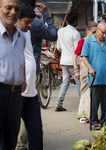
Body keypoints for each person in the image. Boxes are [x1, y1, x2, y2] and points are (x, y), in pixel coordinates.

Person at [15, 2, 43, 150]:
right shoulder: (8, 34)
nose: (30, 25)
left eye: (31, 22)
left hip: (31, 92)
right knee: (9, 132)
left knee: (36, 130)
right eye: (27, 22)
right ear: (17, 19)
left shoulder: (26, 32)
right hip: (15, 91)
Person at [0, 0, 27, 149]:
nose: (13, 12)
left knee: (11, 140)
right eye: (8, 8)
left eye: (16, 9)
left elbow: (18, 60)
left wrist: (22, 79)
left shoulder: (21, 37)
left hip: (15, 96)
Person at [20, 0, 57, 88]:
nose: (29, 25)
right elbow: (53, 35)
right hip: (29, 70)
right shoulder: (35, 23)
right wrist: (46, 14)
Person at [72, 21, 99, 122]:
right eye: (93, 32)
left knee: (95, 91)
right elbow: (74, 56)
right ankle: (84, 114)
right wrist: (76, 70)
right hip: (84, 70)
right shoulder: (83, 42)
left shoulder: (97, 41)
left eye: (97, 32)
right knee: (85, 92)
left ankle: (94, 114)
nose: (95, 34)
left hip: (95, 70)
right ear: (87, 31)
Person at [55, 12, 81, 111]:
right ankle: (83, 105)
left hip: (64, 61)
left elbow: (59, 47)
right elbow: (77, 51)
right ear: (75, 21)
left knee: (65, 83)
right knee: (79, 83)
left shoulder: (60, 31)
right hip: (73, 63)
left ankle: (59, 103)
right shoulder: (76, 33)